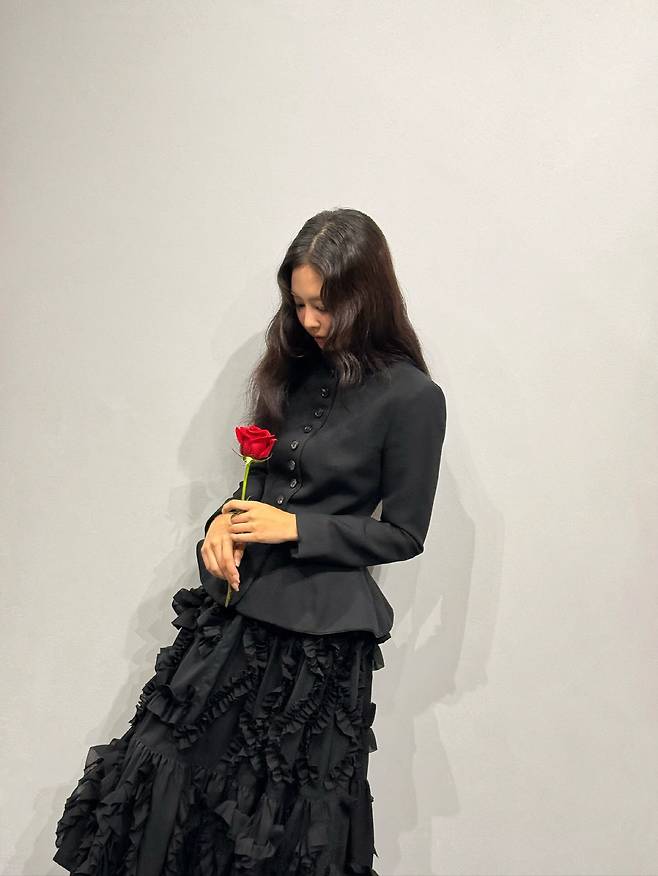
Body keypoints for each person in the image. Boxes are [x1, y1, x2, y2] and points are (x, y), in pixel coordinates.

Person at [53, 208, 447, 875]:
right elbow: (259, 486)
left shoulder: (413, 398)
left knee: (275, 824)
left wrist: (294, 528)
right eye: (299, 304)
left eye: (324, 306)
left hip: (316, 648)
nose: (310, 321)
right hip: (236, 618)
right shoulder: (296, 369)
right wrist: (220, 526)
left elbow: (404, 533)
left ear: (366, 298)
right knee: (167, 779)